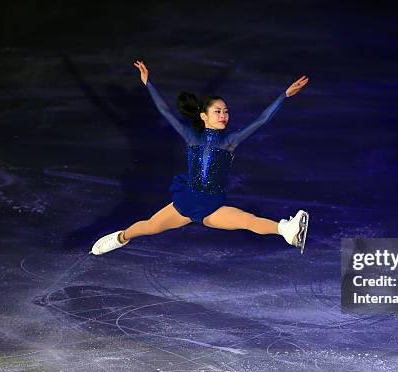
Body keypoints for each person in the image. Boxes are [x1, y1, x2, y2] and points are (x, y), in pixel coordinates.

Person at [90, 60, 309, 256]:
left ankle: (285, 230)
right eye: (217, 112)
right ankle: (120, 237)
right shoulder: (191, 137)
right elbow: (166, 111)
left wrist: (284, 95)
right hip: (186, 201)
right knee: (149, 226)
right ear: (204, 116)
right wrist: (148, 83)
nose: (223, 116)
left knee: (248, 220)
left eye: (226, 112)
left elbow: (261, 120)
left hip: (212, 206)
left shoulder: (230, 141)